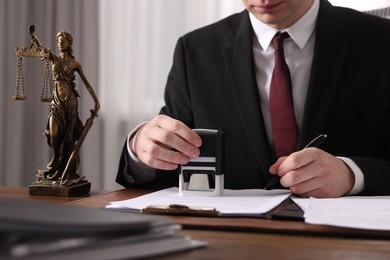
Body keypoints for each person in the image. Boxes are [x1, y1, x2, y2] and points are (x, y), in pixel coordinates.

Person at [116, 0, 390, 197]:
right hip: (236, 240)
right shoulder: (195, 50)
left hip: (351, 240)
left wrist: (352, 174)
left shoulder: (381, 41)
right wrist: (141, 146)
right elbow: (167, 162)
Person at [32, 31, 100, 184]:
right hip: (56, 101)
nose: (60, 44)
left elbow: (87, 84)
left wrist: (96, 101)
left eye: (63, 41)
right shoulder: (53, 58)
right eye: (58, 41)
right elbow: (41, 48)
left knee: (68, 137)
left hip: (70, 102)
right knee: (54, 134)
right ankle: (56, 161)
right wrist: (35, 40)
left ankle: (68, 171)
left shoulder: (75, 64)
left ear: (69, 43)